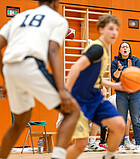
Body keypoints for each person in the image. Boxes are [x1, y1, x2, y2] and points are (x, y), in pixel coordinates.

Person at [0, 0, 80, 158]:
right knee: (72, 111)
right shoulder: (57, 19)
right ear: (56, 3)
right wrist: (61, 90)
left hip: (10, 67)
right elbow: (52, 51)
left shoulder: (19, 17)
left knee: (21, 120)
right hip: (31, 64)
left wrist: (5, 78)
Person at [64, 15, 126, 159]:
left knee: (119, 125)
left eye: (116, 29)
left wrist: (116, 85)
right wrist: (66, 94)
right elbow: (75, 68)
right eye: (110, 29)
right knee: (80, 145)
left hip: (94, 97)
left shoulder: (104, 50)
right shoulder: (97, 48)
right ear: (101, 30)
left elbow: (96, 79)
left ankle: (109, 155)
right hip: (79, 99)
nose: (114, 33)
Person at [111, 42, 140, 153]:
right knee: (122, 119)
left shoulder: (136, 60)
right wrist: (119, 69)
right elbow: (114, 77)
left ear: (129, 50)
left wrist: (130, 69)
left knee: (135, 119)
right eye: (123, 47)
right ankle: (122, 145)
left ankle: (138, 144)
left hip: (134, 93)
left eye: (127, 47)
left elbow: (139, 76)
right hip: (121, 93)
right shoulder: (115, 62)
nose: (125, 48)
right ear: (119, 50)